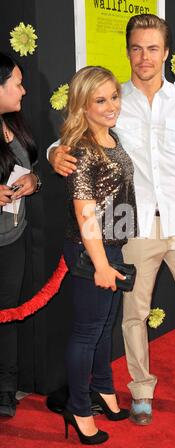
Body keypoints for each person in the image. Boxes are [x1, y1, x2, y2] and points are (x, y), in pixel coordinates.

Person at [48, 14, 175, 427]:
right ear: (128, 50)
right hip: (136, 226)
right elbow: (76, 131)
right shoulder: (115, 98)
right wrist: (54, 152)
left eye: (152, 48)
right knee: (134, 313)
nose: (143, 57)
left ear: (166, 52)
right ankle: (141, 390)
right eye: (136, 48)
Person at [59, 65, 137, 445]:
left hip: (113, 245)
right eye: (100, 100)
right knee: (87, 333)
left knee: (105, 327)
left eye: (114, 96)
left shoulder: (112, 137)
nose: (111, 106)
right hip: (92, 251)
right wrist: (102, 263)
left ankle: (104, 390)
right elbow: (84, 211)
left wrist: (113, 254)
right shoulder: (82, 149)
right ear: (83, 105)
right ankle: (78, 407)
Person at [0, 52, 42, 417]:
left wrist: (34, 180)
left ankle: (6, 390)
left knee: (8, 317)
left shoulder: (14, 125)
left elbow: (34, 166)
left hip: (13, 240)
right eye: (16, 82)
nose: (24, 90)